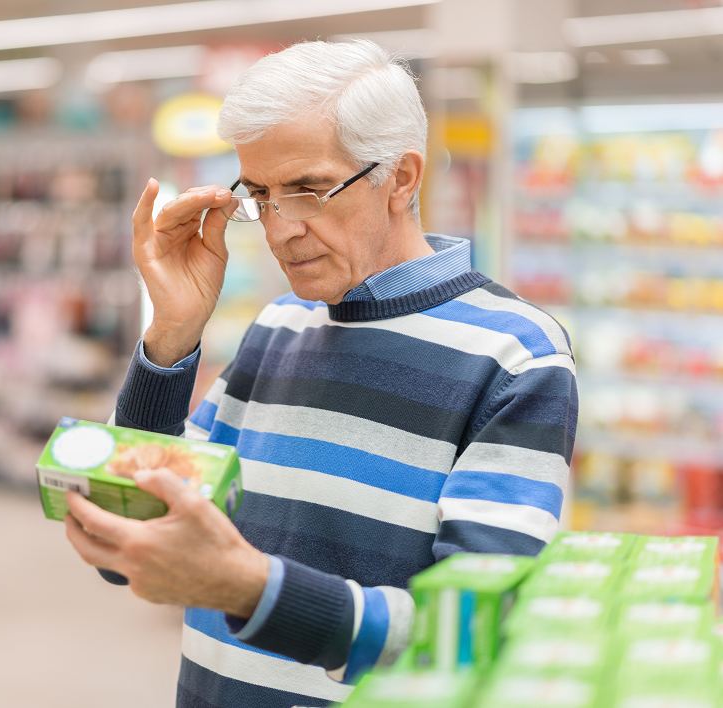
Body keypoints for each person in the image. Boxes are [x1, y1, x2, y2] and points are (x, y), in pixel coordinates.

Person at [62, 40, 577, 708]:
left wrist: (250, 589)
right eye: (261, 196)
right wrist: (170, 336)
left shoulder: (516, 356)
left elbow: (472, 634)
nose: (281, 231)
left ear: (402, 178)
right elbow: (136, 533)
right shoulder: (280, 328)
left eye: (307, 190)